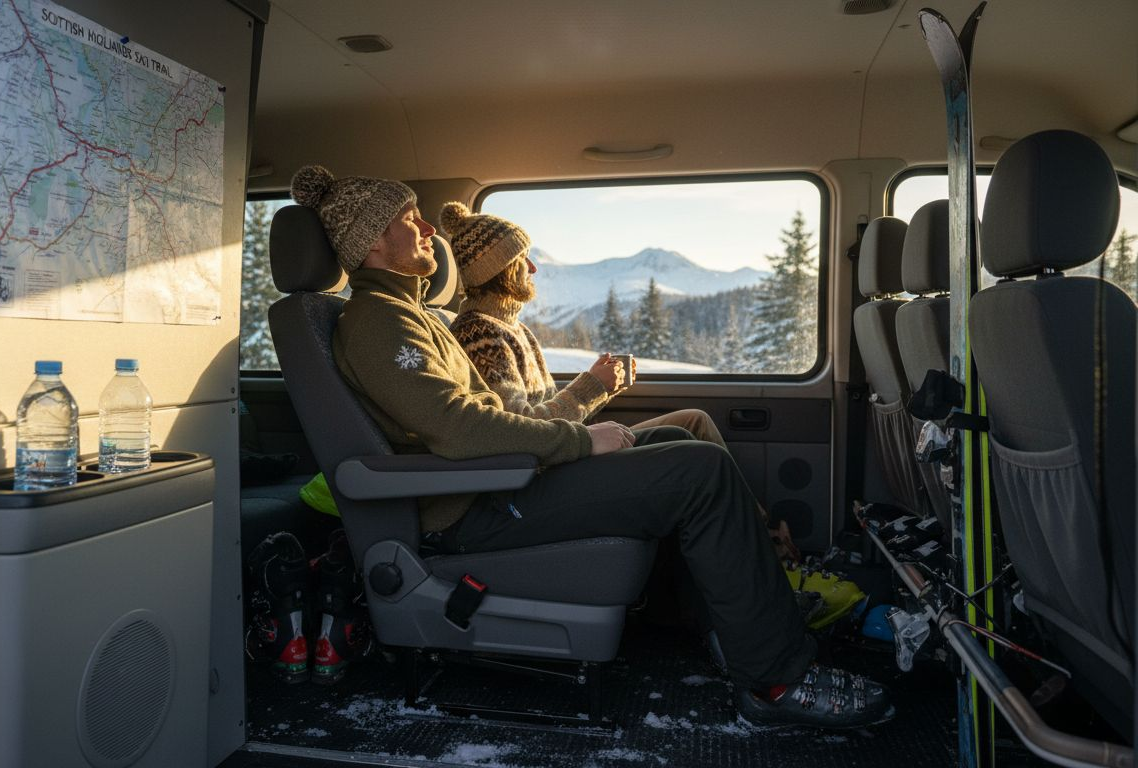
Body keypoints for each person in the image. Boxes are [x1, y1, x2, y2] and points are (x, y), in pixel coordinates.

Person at [289, 164, 891, 729]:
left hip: (497, 485)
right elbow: (458, 426)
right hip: (472, 511)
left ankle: (739, 631)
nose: (425, 230)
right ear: (371, 243)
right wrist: (578, 441)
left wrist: (579, 438)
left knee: (678, 436)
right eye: (408, 219)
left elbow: (476, 421)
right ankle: (776, 680)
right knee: (700, 470)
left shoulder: (408, 314)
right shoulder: (376, 323)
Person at [438, 201, 799, 561]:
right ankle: (768, 547)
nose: (532, 268)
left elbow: (549, 416)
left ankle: (760, 536)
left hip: (565, 451)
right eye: (523, 260)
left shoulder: (512, 328)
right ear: (498, 269)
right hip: (546, 471)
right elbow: (522, 428)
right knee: (695, 452)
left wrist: (602, 387)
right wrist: (591, 386)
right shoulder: (479, 334)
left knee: (692, 422)